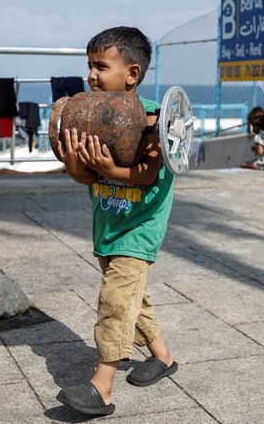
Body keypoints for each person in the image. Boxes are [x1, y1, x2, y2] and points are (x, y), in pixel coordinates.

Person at [55, 26, 177, 416]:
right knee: (133, 301)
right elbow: (87, 178)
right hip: (108, 226)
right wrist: (76, 162)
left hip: (140, 228)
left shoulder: (156, 119)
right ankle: (163, 357)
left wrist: (113, 168)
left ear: (132, 74)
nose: (92, 74)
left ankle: (101, 387)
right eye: (89, 65)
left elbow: (148, 173)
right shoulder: (90, 117)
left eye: (101, 66)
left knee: (114, 301)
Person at [240, 106, 264, 170]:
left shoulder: (259, 136)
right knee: (253, 161)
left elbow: (260, 152)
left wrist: (255, 149)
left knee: (243, 164)